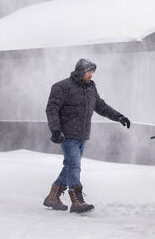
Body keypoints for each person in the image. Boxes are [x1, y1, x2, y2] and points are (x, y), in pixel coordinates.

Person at [43, 58, 130, 213]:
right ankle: (77, 200)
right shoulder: (62, 87)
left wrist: (119, 117)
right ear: (80, 71)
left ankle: (53, 196)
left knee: (69, 165)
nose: (91, 75)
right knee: (75, 165)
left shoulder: (91, 88)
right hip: (67, 134)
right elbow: (52, 109)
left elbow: (101, 106)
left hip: (82, 135)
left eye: (92, 72)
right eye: (89, 72)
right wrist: (56, 130)